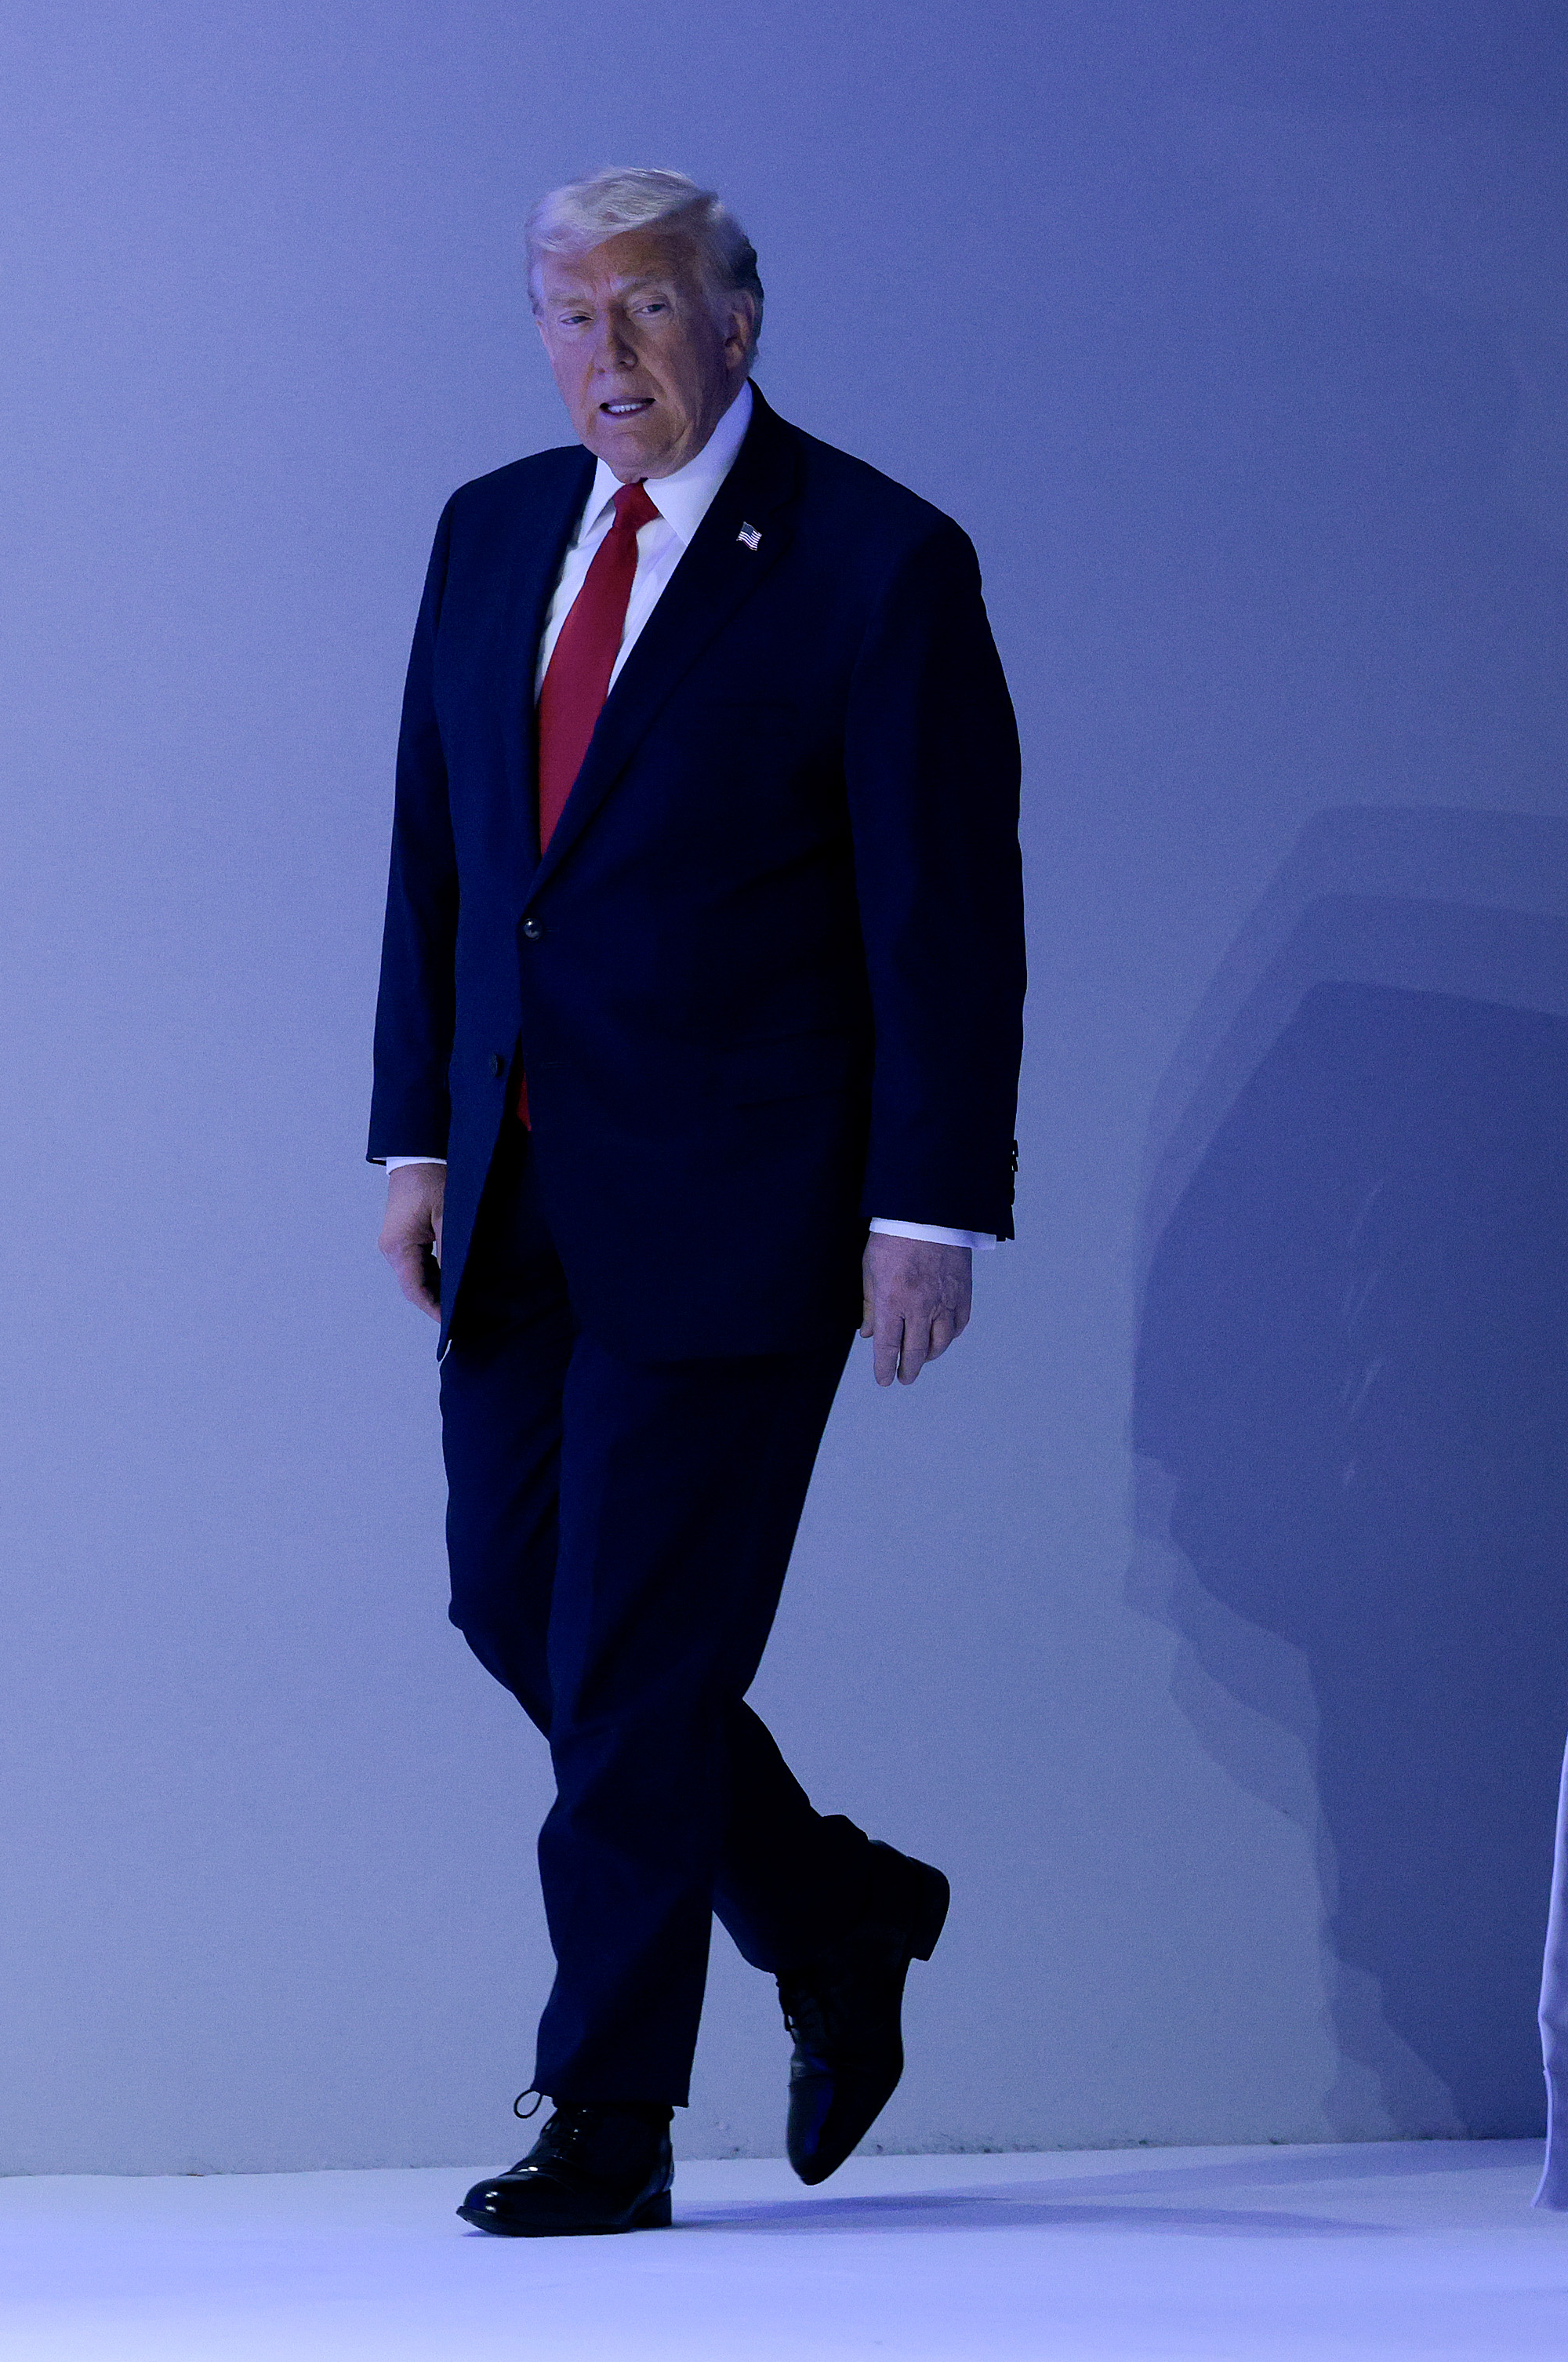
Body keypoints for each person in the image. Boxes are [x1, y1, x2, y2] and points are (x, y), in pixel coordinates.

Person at [365, 166, 1022, 2237]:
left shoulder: (873, 562)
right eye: (568, 315)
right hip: (523, 1183)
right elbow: (440, 863)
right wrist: (415, 1136)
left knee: (638, 1658)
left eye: (645, 312)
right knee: (517, 1602)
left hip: (746, 1194)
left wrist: (931, 1203)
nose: (605, 357)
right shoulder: (489, 533)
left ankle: (608, 2112)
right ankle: (833, 1909)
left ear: (741, 320)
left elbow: (947, 918)